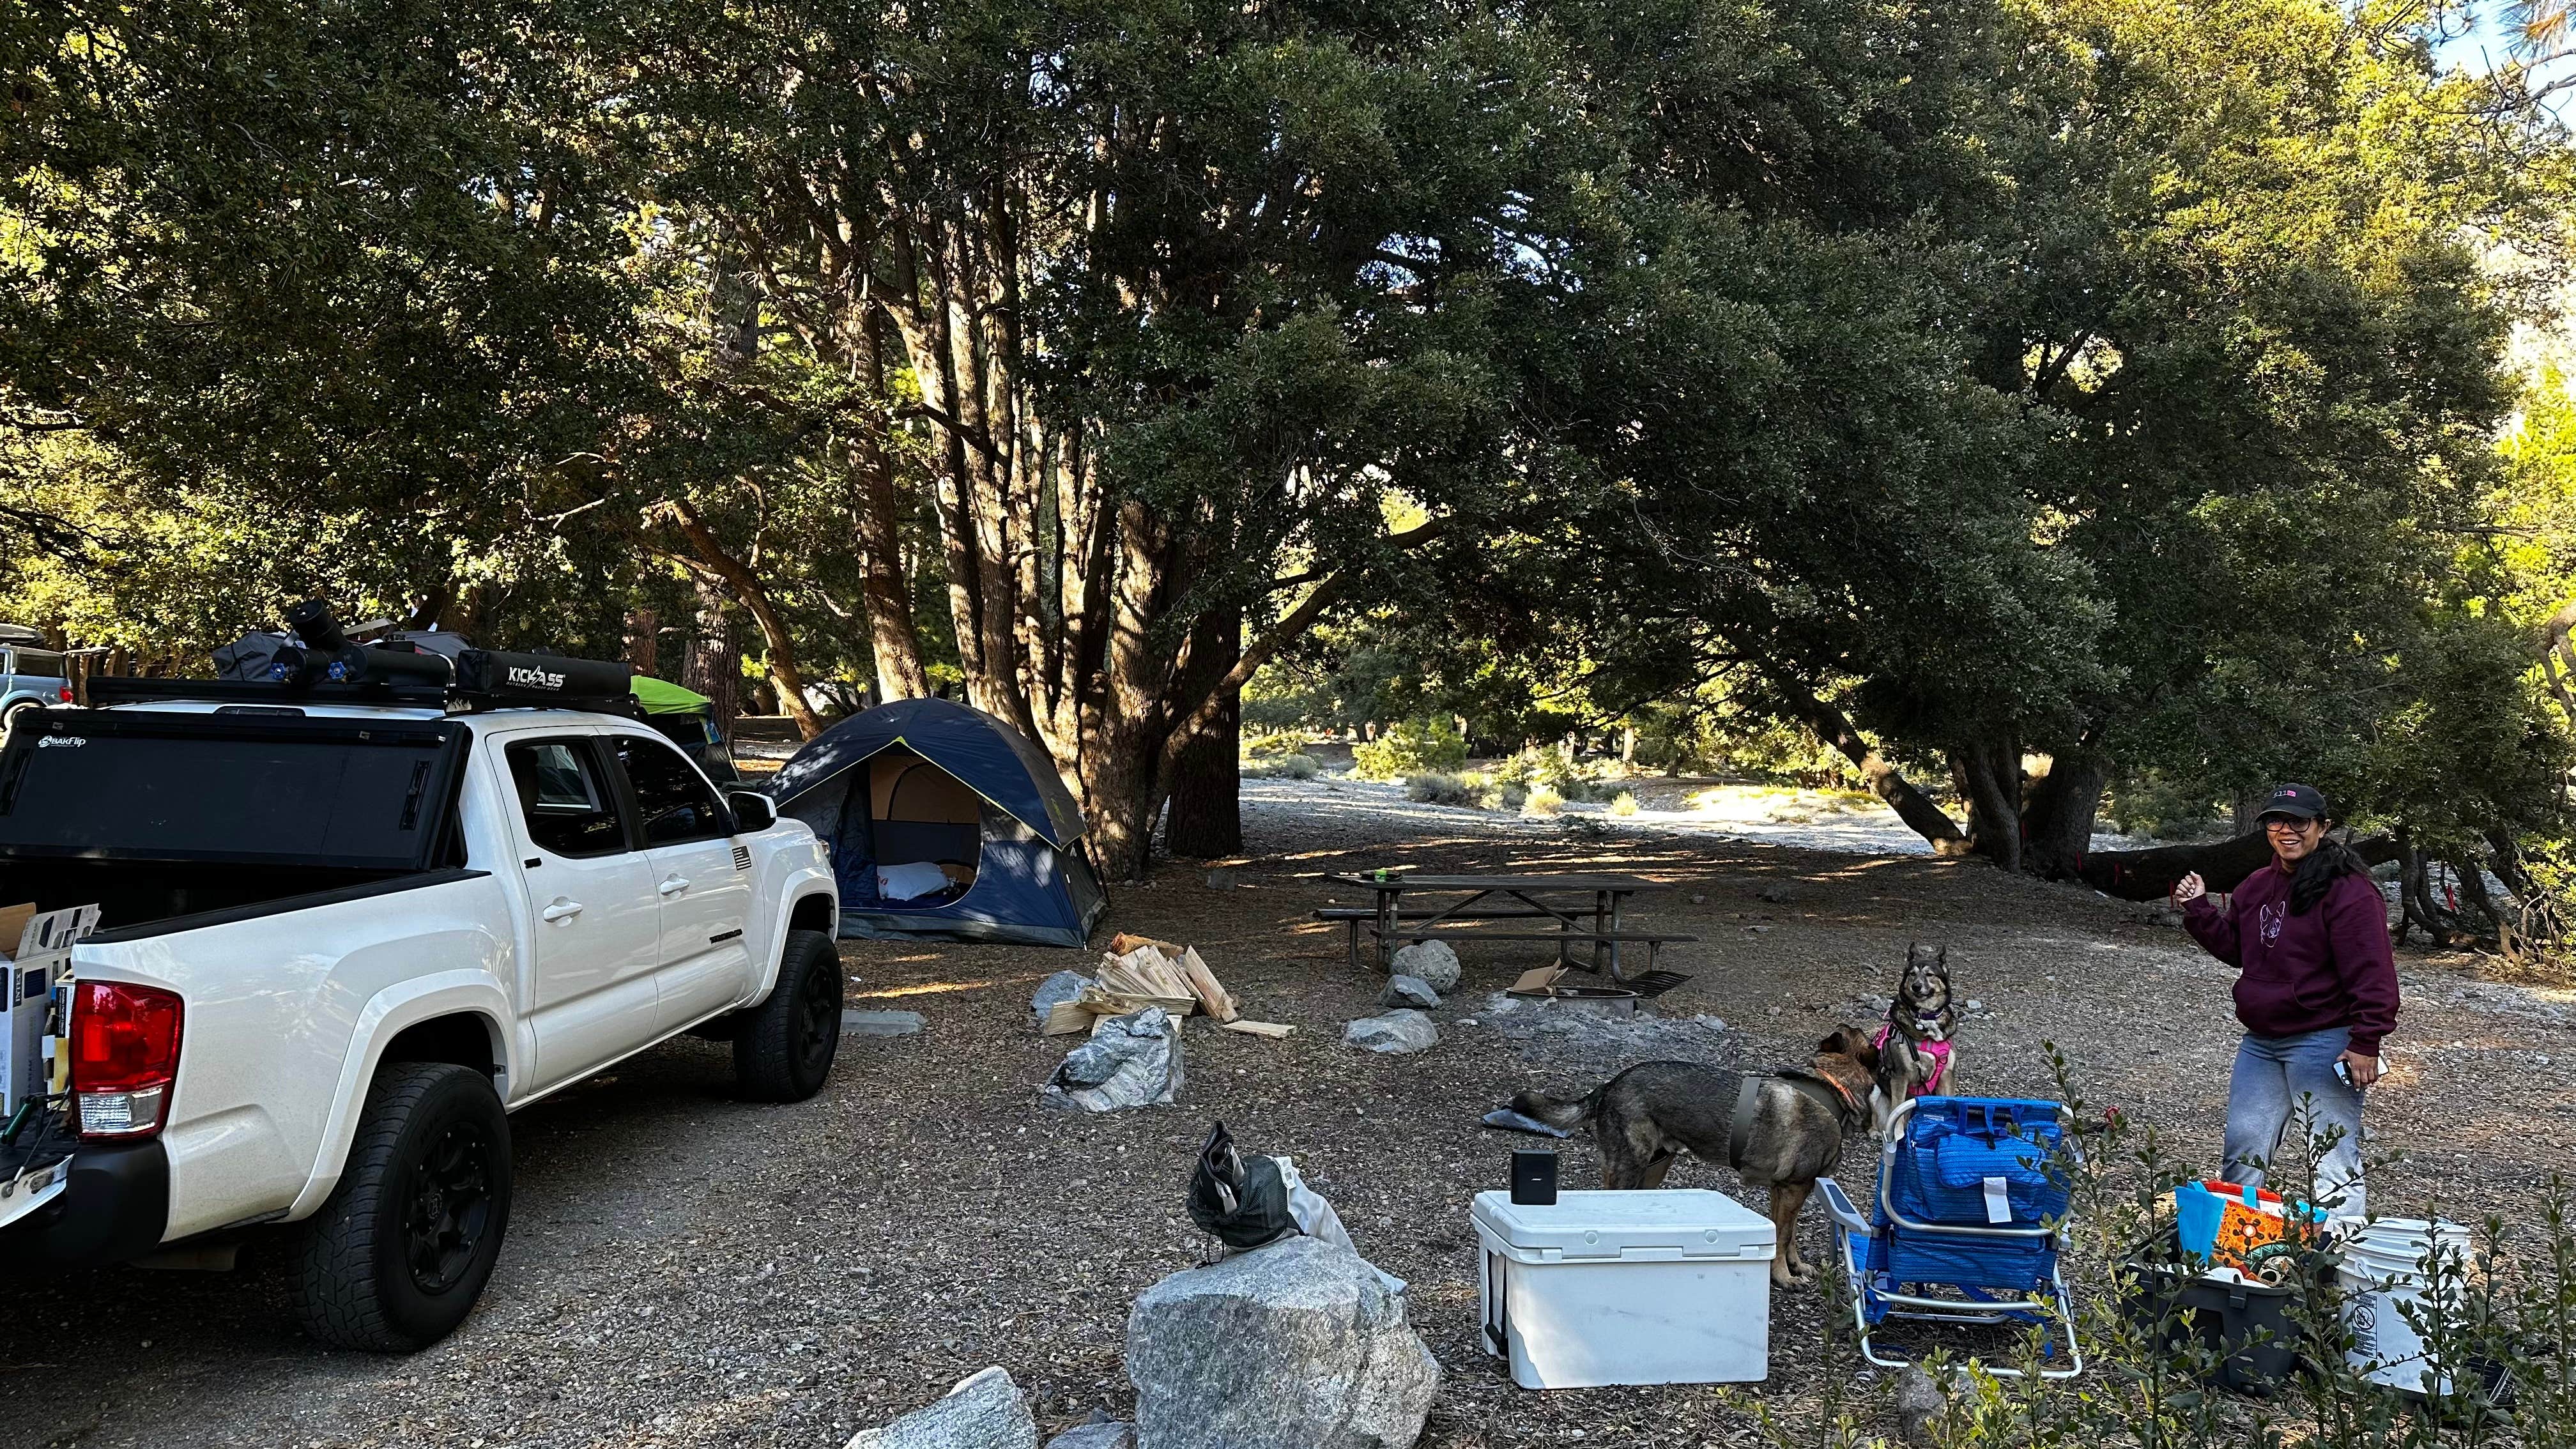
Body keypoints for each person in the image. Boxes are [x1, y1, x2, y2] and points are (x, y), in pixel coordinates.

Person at [2171, 783, 2398, 1216]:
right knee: (2242, 1151)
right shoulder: (2257, 885)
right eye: (2276, 821)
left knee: (2332, 1157)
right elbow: (2238, 950)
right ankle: (2230, 1254)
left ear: (2322, 827)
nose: (2286, 830)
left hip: (2324, 1040)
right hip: (2261, 1042)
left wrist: (2367, 1041)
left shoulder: (2350, 891)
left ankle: (2340, 1266)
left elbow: (2374, 971)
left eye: (2298, 821)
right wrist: (2199, 908)